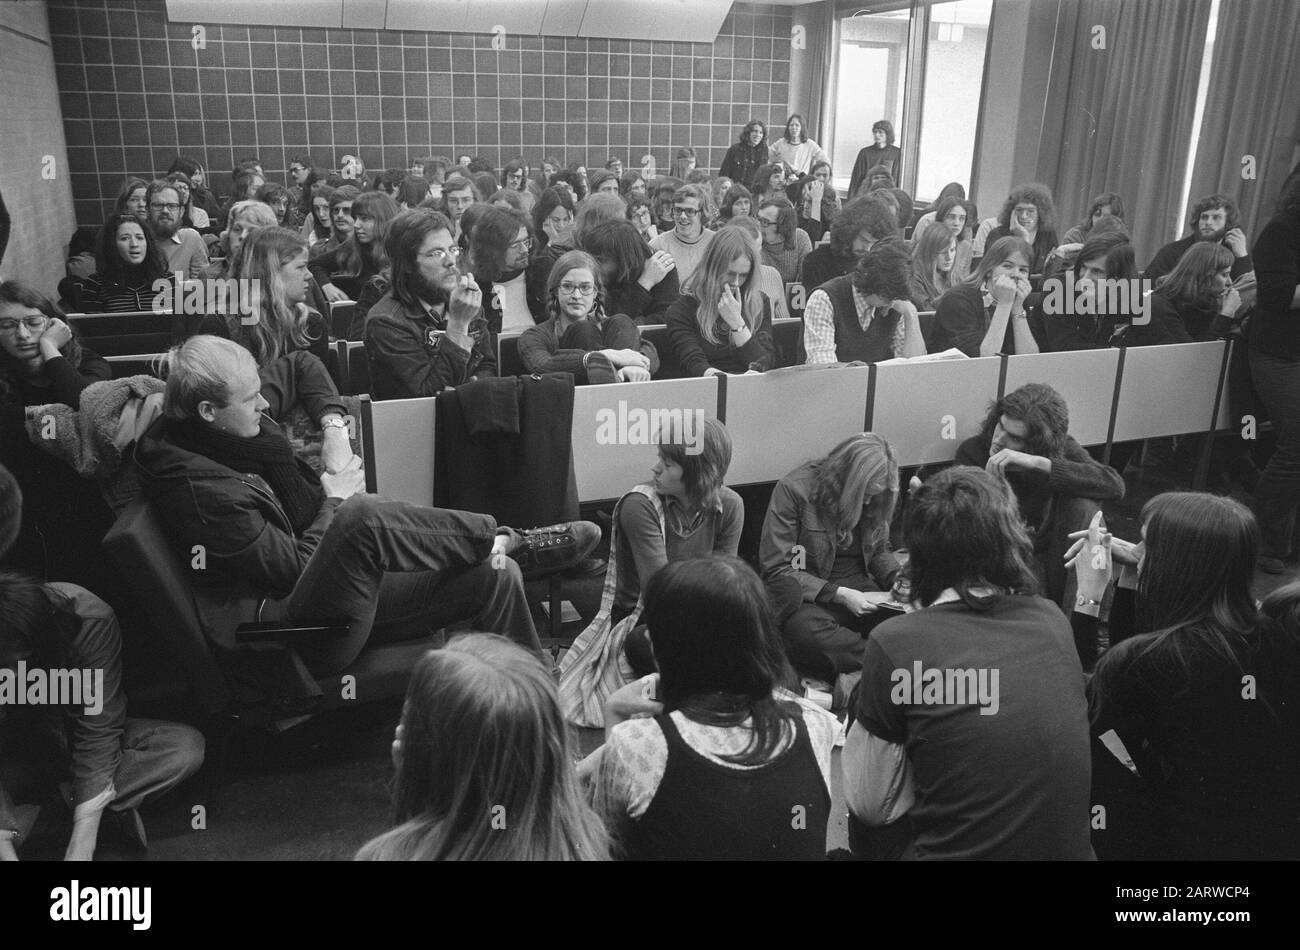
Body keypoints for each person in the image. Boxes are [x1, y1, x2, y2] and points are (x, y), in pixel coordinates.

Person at [135, 335, 599, 676]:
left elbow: (300, 363)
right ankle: (509, 536)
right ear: (207, 412)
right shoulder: (200, 489)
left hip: (331, 591)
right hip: (295, 632)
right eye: (249, 398)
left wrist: (334, 425)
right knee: (361, 516)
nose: (265, 404)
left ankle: (535, 690)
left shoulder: (227, 426)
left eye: (260, 389)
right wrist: (333, 498)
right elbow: (293, 569)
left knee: (497, 572)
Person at [845, 465, 1093, 860]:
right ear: (1012, 538)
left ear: (917, 554)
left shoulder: (895, 643)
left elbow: (868, 804)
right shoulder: (1052, 620)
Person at [1067, 495, 1300, 859]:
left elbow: (1083, 697)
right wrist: (1132, 575)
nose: (1137, 550)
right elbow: (1136, 656)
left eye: (1147, 544)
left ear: (1177, 564)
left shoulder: (1151, 663)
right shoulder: (1271, 634)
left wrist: (1088, 598)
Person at [589, 556, 836, 860]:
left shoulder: (635, 743)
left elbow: (603, 844)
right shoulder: (817, 725)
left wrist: (615, 716)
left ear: (665, 648)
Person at [0, 547, 206, 859]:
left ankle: (49, 815)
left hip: (73, 738)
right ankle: (71, 812)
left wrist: (83, 841)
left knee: (182, 749)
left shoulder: (88, 617)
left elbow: (99, 729)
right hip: (18, 754)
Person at [356, 634, 609, 861]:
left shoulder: (385, 855)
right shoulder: (587, 839)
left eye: (408, 720)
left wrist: (415, 777)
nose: (400, 731)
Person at [558, 418, 741, 720]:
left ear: (699, 472)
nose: (655, 469)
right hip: (645, 614)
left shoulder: (731, 505)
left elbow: (727, 582)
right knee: (644, 644)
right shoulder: (639, 505)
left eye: (668, 464)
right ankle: (710, 701)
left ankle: (702, 698)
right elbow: (660, 590)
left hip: (700, 610)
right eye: (660, 458)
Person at [956, 382, 1124, 611]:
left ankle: (1085, 620)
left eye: (1014, 438)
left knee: (1084, 509)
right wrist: (992, 488)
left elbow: (1113, 485)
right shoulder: (974, 451)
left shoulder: (1056, 450)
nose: (999, 439)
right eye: (1000, 426)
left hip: (1053, 555)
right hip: (1004, 557)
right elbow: (966, 531)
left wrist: (1039, 464)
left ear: (1037, 445)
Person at [760, 434, 904, 683]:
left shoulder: (877, 499)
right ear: (850, 483)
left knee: (919, 620)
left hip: (866, 595)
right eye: (865, 495)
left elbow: (880, 550)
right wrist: (840, 594)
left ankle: (867, 665)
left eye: (874, 496)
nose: (869, 502)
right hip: (814, 598)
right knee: (805, 635)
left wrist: (897, 578)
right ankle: (890, 660)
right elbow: (778, 568)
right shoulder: (795, 490)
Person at [0, 282, 112, 589]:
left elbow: (88, 405)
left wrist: (50, 351)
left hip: (88, 489)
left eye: (33, 323)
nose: (22, 335)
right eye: (7, 326)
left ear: (54, 324)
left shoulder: (86, 362)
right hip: (25, 497)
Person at [365, 209, 498, 400]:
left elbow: (487, 367)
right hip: (410, 425)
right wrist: (458, 325)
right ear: (407, 264)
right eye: (436, 253)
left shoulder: (464, 301)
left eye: (452, 250)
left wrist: (471, 391)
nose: (451, 261)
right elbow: (424, 397)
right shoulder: (386, 322)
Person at [1246, 165, 1300, 574]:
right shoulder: (1280, 231)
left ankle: (1287, 539)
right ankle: (1263, 541)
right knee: (1295, 445)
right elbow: (1281, 296)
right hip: (1277, 353)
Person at [517, 250, 656, 384]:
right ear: (555, 291)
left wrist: (634, 365)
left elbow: (648, 350)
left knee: (622, 321)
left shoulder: (613, 327)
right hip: (571, 400)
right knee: (583, 329)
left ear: (595, 292)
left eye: (585, 287)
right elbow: (542, 366)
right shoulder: (535, 335)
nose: (576, 296)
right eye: (567, 286)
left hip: (621, 403)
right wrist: (602, 356)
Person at [665, 227, 775, 377]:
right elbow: (694, 363)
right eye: (730, 273)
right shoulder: (682, 310)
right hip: (707, 390)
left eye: (743, 275)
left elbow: (764, 362)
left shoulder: (759, 302)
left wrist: (737, 324)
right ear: (712, 268)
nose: (736, 283)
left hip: (751, 389)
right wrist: (729, 382)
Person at [803, 242, 927, 365]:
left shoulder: (896, 300)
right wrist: (864, 372)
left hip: (880, 383)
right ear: (871, 283)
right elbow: (822, 367)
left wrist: (910, 313)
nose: (890, 303)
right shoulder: (824, 299)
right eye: (886, 297)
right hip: (831, 383)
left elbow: (913, 368)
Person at [931, 236, 1038, 356]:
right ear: (989, 270)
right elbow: (984, 362)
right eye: (1007, 266)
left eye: (1023, 270)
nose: (1015, 274)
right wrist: (1004, 305)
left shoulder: (1020, 299)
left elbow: (1028, 361)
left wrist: (1017, 309)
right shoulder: (957, 299)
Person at [1136, 242, 1238, 345]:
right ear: (1204, 275)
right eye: (1225, 275)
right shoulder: (1159, 306)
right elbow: (1192, 355)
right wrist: (1226, 315)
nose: (1230, 282)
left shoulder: (1207, 303)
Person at [582, 219, 679, 325]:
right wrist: (644, 283)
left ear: (622, 259)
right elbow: (608, 320)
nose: (592, 266)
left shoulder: (661, 268)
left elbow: (664, 321)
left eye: (599, 260)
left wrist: (644, 284)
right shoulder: (598, 276)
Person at [309, 191, 399, 303]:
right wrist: (327, 286)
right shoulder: (354, 247)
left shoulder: (401, 250)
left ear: (383, 220)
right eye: (355, 218)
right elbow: (314, 265)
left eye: (364, 219)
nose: (356, 225)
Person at [1145, 192, 1253, 285]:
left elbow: (1248, 293)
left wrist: (1242, 256)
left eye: (1216, 217)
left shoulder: (1234, 253)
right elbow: (1144, 284)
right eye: (1204, 217)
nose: (1208, 222)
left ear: (1228, 223)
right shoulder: (1173, 251)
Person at [797, 195, 897, 292]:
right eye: (863, 240)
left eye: (874, 243)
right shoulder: (816, 261)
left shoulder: (880, 264)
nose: (868, 248)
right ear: (849, 232)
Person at [76, 213, 173, 313]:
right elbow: (91, 326)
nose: (134, 244)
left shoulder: (169, 280)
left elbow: (181, 324)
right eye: (125, 238)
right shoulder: (95, 284)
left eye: (139, 238)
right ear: (112, 244)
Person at [467, 205, 537, 333]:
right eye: (515, 245)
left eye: (526, 241)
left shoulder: (541, 274)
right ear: (493, 250)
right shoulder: (476, 287)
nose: (525, 250)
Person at [983, 183, 1060, 275]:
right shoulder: (997, 235)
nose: (1023, 216)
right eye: (1019, 210)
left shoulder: (1048, 234)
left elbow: (1053, 271)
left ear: (1040, 213)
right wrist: (1024, 240)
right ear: (1011, 212)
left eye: (1030, 211)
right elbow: (990, 272)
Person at [649, 184, 715, 287]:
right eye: (678, 210)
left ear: (702, 213)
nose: (683, 216)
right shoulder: (658, 245)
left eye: (690, 211)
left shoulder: (716, 242)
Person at [146, 179, 209, 279]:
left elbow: (202, 285)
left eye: (172, 206)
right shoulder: (137, 242)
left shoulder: (191, 238)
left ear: (181, 211)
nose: (165, 211)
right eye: (158, 205)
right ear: (147, 210)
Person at [756, 196, 812, 284]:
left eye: (765, 222)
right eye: (758, 219)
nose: (758, 225)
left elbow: (806, 280)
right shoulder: (754, 241)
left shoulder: (800, 238)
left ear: (783, 226)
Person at [909, 222, 958, 312]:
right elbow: (926, 311)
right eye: (943, 252)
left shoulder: (952, 275)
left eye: (952, 250)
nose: (949, 257)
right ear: (929, 252)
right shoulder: (914, 277)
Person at [848, 120, 903, 199]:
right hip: (867, 196)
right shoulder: (865, 152)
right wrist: (851, 200)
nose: (877, 135)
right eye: (875, 132)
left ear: (888, 134)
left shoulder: (896, 153)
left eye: (880, 132)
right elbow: (856, 179)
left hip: (888, 197)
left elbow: (896, 179)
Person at [790, 161, 841, 245]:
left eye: (810, 202)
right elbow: (808, 240)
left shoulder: (829, 215)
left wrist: (816, 202)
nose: (806, 206)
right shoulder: (798, 214)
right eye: (804, 200)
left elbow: (814, 239)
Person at [1060, 191, 1127, 246]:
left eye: (1106, 217)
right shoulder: (1075, 236)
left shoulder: (1120, 242)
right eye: (1097, 215)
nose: (1100, 220)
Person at [719, 120, 769, 190]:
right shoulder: (734, 149)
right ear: (748, 132)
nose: (758, 135)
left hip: (754, 192)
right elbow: (724, 174)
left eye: (761, 133)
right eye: (755, 131)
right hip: (735, 190)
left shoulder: (764, 150)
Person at [312, 184, 358, 258]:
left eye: (346, 210)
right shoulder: (318, 250)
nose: (340, 215)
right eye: (336, 210)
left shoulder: (373, 248)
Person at [439, 175, 478, 242]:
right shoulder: (438, 227)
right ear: (445, 202)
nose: (460, 206)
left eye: (466, 200)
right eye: (453, 201)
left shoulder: (482, 227)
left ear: (474, 200)